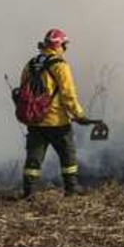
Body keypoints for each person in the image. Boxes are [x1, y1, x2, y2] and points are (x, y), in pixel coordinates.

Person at [15, 28, 93, 198]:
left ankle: (29, 193)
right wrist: (79, 115)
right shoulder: (60, 65)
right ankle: (71, 189)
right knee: (68, 156)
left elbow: (23, 91)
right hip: (57, 121)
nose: (65, 49)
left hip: (35, 120)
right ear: (59, 46)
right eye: (64, 45)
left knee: (33, 159)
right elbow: (68, 94)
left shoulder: (30, 64)